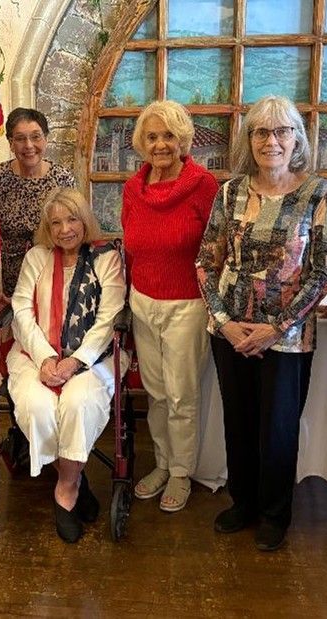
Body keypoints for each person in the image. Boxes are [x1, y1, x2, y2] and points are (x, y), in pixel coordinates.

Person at [197, 95, 327, 551]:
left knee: (278, 427)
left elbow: (323, 270)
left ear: (297, 138)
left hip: (288, 336)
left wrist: (276, 327)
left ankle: (276, 513)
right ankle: (244, 503)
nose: (271, 141)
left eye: (282, 131)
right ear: (249, 139)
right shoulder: (230, 192)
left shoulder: (318, 193)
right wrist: (225, 322)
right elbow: (206, 261)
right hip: (231, 332)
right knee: (238, 421)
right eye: (261, 132)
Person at [7, 187, 126, 543]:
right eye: (55, 222)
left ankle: (65, 488)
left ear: (85, 220)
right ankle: (75, 477)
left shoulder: (106, 258)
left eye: (72, 219)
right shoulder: (36, 257)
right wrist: (45, 358)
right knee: (38, 407)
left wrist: (75, 361)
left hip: (93, 357)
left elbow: (109, 318)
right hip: (35, 354)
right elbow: (22, 311)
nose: (64, 229)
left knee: (77, 403)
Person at [122, 100, 218, 512]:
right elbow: (129, 248)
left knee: (181, 395)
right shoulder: (133, 188)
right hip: (143, 301)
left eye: (169, 136)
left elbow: (216, 251)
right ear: (142, 143)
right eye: (152, 136)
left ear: (184, 140)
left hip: (187, 305)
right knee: (156, 393)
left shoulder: (204, 185)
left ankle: (181, 472)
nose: (160, 144)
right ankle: (162, 463)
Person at [0, 107, 76, 307]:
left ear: (46, 139)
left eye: (36, 137)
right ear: (11, 144)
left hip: (53, 280)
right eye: (20, 139)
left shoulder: (62, 179)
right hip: (8, 288)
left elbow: (75, 231)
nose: (29, 145)